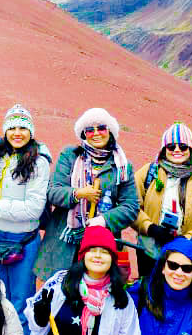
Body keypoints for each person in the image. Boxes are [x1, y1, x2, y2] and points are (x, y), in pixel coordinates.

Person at [34, 108, 139, 285]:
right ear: (83, 134)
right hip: (64, 242)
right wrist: (78, 193)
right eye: (90, 130)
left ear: (110, 131)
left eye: (101, 128)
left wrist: (104, 220)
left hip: (102, 244)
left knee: (96, 295)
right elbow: (53, 191)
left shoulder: (122, 167)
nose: (96, 133)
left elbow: (130, 206)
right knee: (59, 296)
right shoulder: (70, 156)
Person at [0, 104, 51, 312]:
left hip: (22, 241)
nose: (17, 133)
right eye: (12, 128)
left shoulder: (38, 162)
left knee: (20, 300)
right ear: (5, 131)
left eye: (23, 128)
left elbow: (33, 209)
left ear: (30, 132)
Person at [131, 121, 192, 283]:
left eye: (183, 146)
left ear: (191, 149)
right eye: (171, 146)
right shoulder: (148, 174)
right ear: (163, 149)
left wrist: (187, 239)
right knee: (147, 293)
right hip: (149, 251)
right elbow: (130, 206)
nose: (176, 150)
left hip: (186, 258)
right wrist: (150, 228)